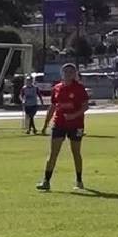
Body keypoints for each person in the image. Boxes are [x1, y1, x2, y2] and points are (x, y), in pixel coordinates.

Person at [37, 63, 89, 192]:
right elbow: (53, 106)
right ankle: (46, 181)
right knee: (53, 153)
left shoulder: (79, 88)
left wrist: (73, 116)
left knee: (76, 152)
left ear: (75, 74)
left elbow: (85, 106)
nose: (68, 74)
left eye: (71, 72)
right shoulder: (56, 88)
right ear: (62, 73)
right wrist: (46, 123)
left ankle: (79, 180)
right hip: (59, 123)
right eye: (66, 72)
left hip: (76, 125)